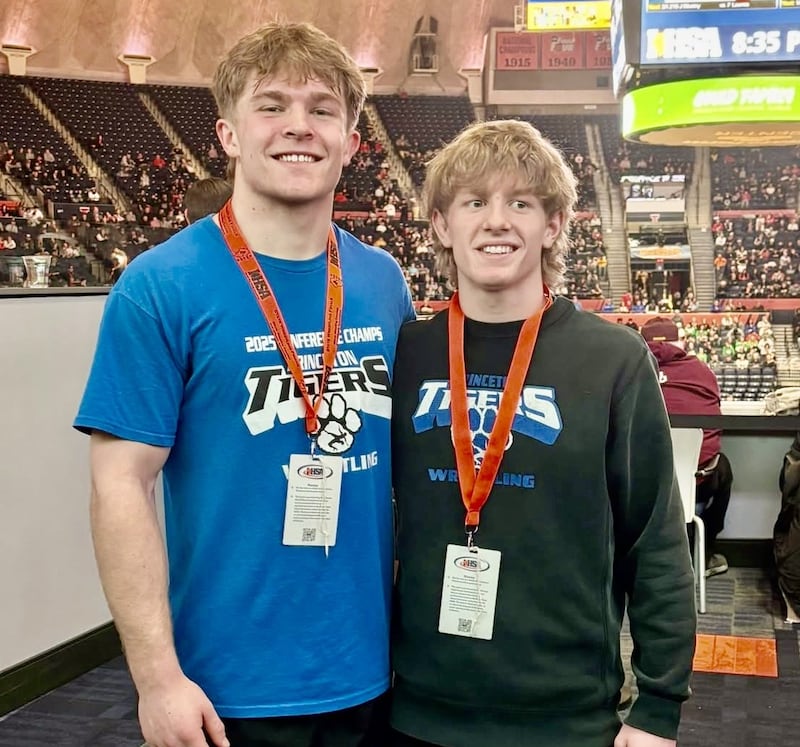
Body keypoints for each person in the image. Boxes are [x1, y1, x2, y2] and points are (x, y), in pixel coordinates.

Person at [74, 22, 414, 747]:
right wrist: (156, 677)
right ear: (228, 134)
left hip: (379, 674)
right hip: (226, 690)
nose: (300, 126)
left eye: (324, 109)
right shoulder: (159, 286)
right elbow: (119, 487)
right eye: (273, 105)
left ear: (353, 141)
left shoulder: (385, 281)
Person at [389, 120, 696, 747]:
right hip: (415, 707)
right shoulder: (407, 354)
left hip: (565, 716)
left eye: (520, 203)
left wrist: (658, 704)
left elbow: (656, 540)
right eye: (475, 202)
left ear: (552, 225)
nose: (496, 221)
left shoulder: (614, 359)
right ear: (443, 226)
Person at [641, 317, 734, 577]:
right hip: (695, 484)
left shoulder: (626, 367)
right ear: (679, 342)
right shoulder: (701, 371)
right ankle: (702, 556)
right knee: (722, 467)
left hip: (636, 488)